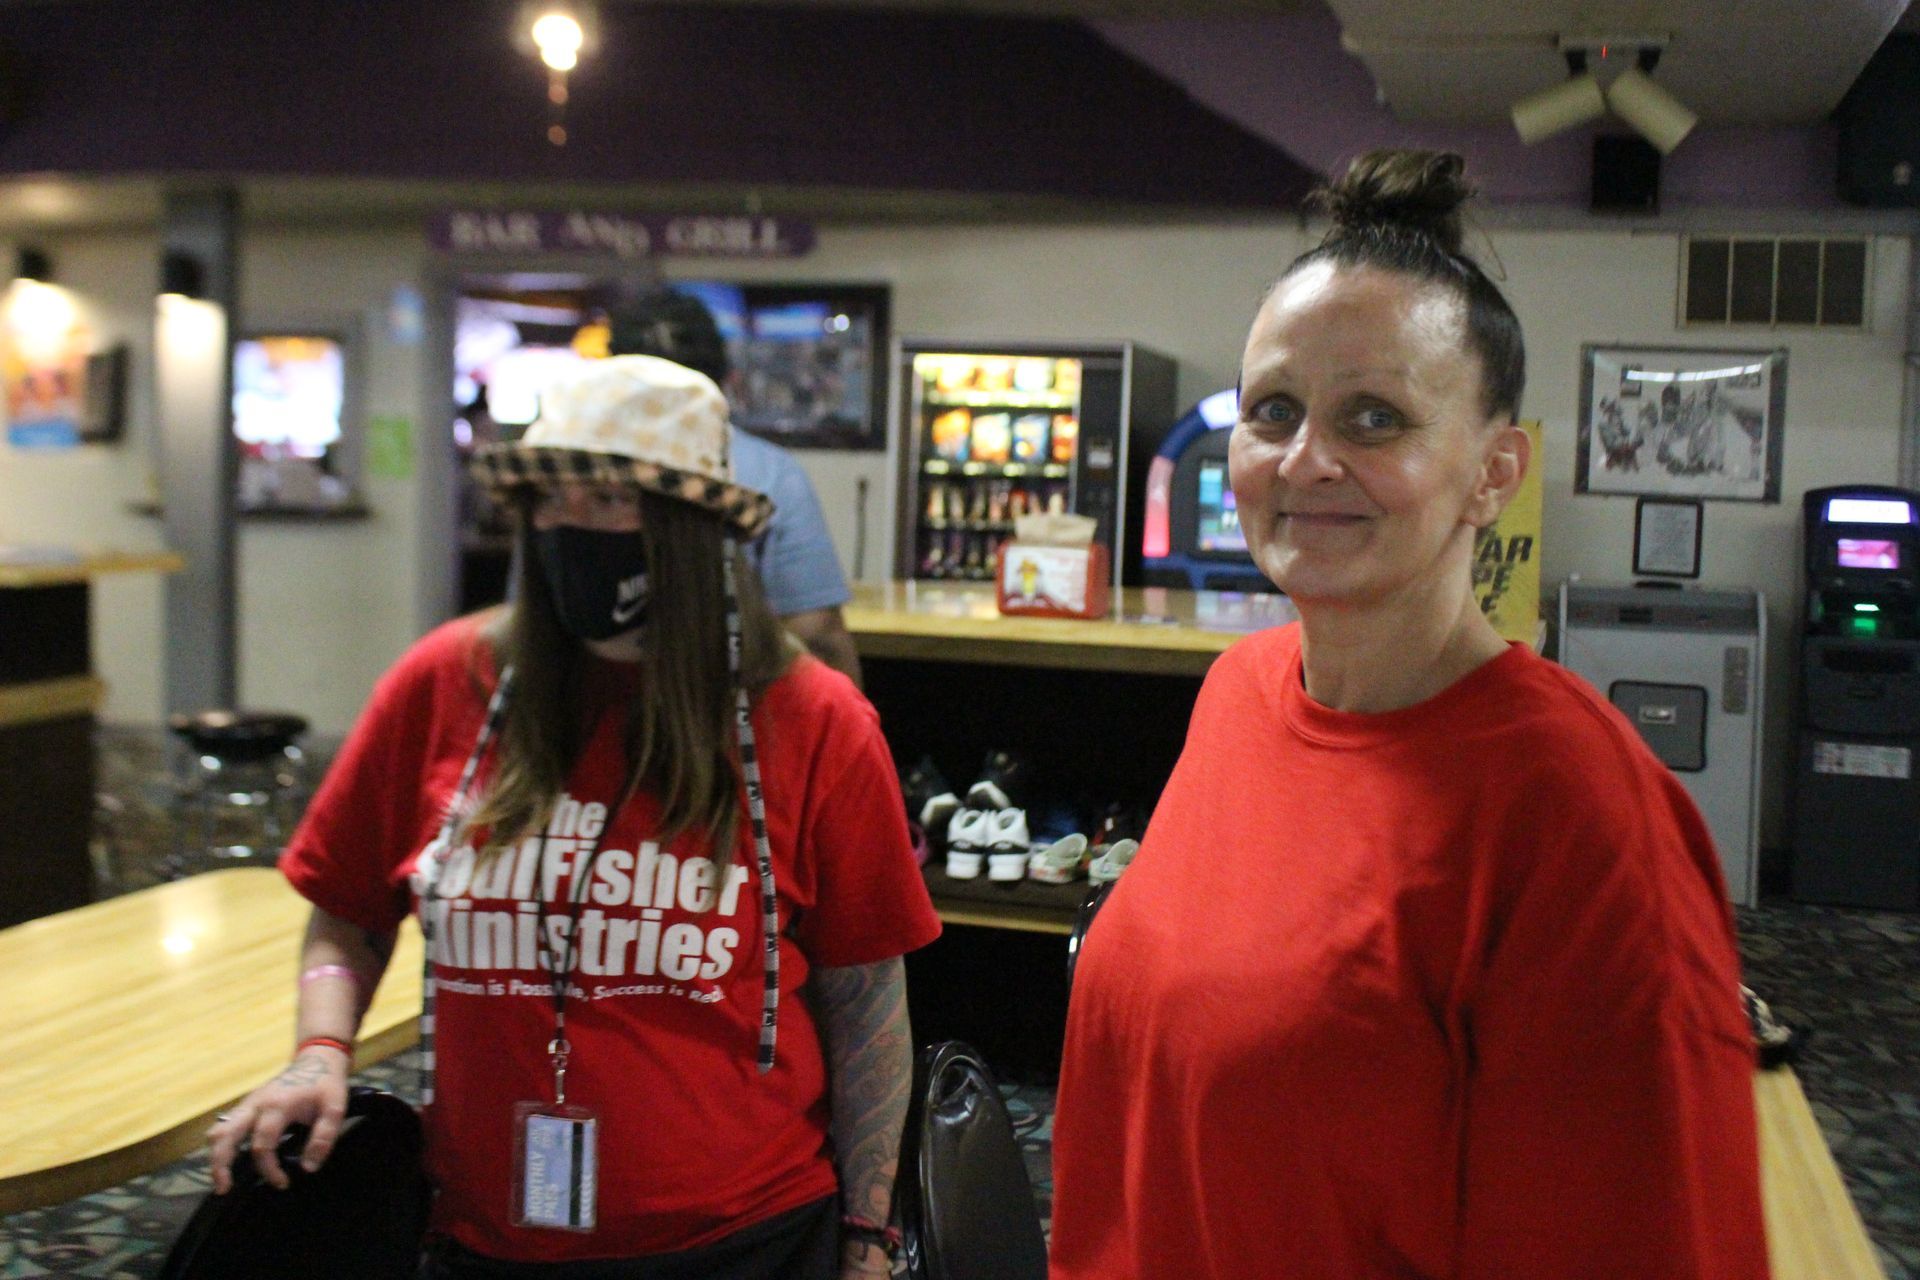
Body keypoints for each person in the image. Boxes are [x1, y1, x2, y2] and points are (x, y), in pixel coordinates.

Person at [1048, 150, 1768, 1280]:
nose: (1306, 460)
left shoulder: (1583, 819)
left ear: (1494, 473)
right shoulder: (1240, 693)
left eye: (1374, 418)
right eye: (1273, 410)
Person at [207, 355, 940, 1278]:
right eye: (550, 498)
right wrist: (320, 1051)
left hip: (742, 1240)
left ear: (691, 529)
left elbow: (867, 1001)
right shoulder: (445, 684)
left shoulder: (812, 719)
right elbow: (346, 913)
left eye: (610, 499)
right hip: (484, 1234)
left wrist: (869, 1233)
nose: (570, 525)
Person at [607, 289, 863, 686]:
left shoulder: (567, 481)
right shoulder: (771, 475)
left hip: (590, 713)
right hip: (732, 706)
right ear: (726, 380)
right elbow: (817, 632)